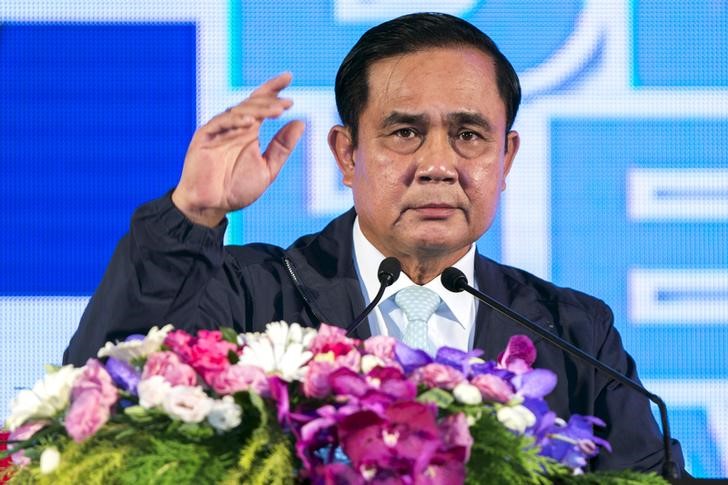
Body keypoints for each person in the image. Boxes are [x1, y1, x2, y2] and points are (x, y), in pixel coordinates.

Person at [63, 12, 684, 475]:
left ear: (505, 156)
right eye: (405, 133)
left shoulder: (571, 333)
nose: (438, 165)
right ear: (347, 153)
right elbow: (98, 406)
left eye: (469, 135)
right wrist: (190, 216)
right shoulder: (247, 297)